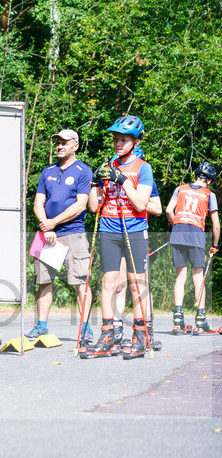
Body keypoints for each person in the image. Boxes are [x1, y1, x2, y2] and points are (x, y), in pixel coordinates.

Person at [86, 115, 159, 357]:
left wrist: (123, 180)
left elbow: (140, 204)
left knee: (136, 284)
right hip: (108, 228)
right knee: (108, 283)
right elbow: (94, 207)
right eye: (116, 139)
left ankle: (140, 335)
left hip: (134, 230)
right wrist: (95, 182)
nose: (118, 143)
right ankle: (108, 333)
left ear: (136, 142)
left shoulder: (143, 168)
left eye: (123, 139)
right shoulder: (109, 164)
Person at [29, 128, 94, 342]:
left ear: (75, 145)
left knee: (80, 281)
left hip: (73, 233)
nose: (59, 145)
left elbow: (81, 205)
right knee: (44, 281)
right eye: (57, 141)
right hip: (46, 234)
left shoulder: (83, 170)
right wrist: (45, 226)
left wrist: (53, 223)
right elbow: (38, 202)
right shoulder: (47, 170)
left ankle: (85, 328)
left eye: (64, 142)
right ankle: (41, 326)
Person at [166, 161, 220, 333]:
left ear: (196, 175)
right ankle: (201, 318)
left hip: (178, 232)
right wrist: (215, 245)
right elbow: (216, 225)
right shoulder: (209, 194)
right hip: (196, 234)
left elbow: (168, 210)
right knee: (198, 278)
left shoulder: (180, 188)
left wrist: (178, 226)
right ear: (209, 180)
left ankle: (178, 317)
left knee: (180, 277)